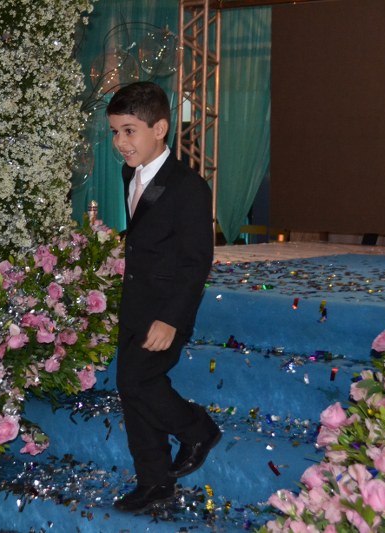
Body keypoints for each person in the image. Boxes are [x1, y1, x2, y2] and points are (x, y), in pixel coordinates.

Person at [107, 81, 221, 512]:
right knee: (131, 389)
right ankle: (155, 481)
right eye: (115, 132)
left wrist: (171, 318)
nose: (120, 142)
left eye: (129, 131)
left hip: (167, 310)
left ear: (160, 129)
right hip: (137, 302)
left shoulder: (188, 187)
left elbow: (196, 261)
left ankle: (198, 430)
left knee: (136, 381)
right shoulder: (130, 173)